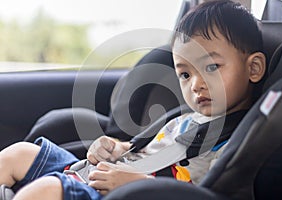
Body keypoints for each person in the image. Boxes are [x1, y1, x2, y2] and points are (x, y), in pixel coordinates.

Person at [0, 0, 266, 199]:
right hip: (98, 174)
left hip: (125, 192)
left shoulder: (237, 142)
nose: (196, 84)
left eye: (211, 68)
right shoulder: (183, 122)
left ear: (253, 68)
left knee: (47, 190)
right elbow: (146, 150)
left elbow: (203, 194)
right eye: (185, 74)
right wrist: (116, 147)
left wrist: (137, 182)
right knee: (19, 153)